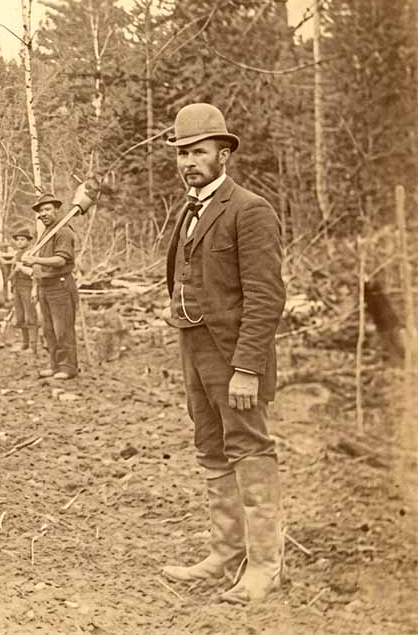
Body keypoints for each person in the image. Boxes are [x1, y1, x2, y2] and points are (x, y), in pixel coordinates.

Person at [158, 103, 286, 604]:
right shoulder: (191, 210)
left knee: (250, 448)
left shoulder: (249, 210)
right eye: (182, 153)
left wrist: (247, 368)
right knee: (210, 448)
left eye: (199, 152)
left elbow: (265, 295)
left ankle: (265, 566)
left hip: (234, 356)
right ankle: (226, 553)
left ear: (224, 154)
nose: (189, 162)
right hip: (194, 347)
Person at [22, 193, 78, 380]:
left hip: (59, 286)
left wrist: (35, 259)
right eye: (40, 211)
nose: (43, 214)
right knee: (49, 329)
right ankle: (55, 366)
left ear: (56, 210)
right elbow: (40, 264)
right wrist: (35, 283)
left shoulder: (62, 231)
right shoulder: (46, 233)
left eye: (47, 209)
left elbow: (61, 260)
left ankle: (68, 368)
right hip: (44, 285)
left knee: (62, 329)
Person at [6, 229, 38, 352]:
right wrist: (11, 290)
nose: (19, 242)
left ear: (28, 241)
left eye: (22, 239)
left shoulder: (32, 254)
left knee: (30, 316)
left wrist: (22, 267)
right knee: (20, 316)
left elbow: (35, 273)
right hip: (17, 287)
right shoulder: (16, 254)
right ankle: (24, 343)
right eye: (18, 240)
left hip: (28, 287)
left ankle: (33, 345)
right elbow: (11, 273)